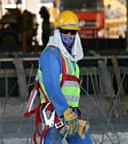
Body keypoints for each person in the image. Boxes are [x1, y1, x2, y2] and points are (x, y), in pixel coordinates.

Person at [37, 10, 92, 144]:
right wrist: (63, 111)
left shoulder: (69, 58)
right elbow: (52, 86)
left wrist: (70, 113)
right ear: (57, 32)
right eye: (65, 31)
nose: (69, 35)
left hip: (71, 113)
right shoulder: (51, 55)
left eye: (73, 32)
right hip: (56, 113)